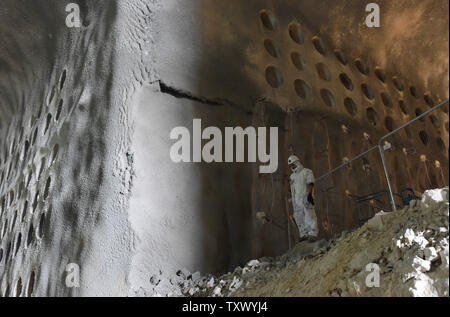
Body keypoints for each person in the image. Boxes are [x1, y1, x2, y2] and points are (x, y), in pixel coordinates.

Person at [288, 155, 318, 242]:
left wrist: (310, 194)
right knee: (299, 217)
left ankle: (312, 234)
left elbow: (311, 183)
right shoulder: (292, 176)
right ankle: (304, 234)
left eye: (293, 164)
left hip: (305, 198)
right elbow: (292, 189)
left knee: (309, 215)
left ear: (297, 162)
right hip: (296, 201)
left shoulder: (307, 171)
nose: (292, 166)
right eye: (291, 166)